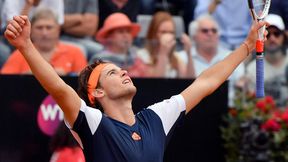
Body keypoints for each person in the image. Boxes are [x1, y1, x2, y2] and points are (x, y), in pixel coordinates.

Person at [4, 14, 267, 162]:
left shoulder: (156, 118)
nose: (123, 72)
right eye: (112, 73)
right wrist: (26, 46)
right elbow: (61, 90)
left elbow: (206, 82)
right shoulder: (94, 123)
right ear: (98, 93)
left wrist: (246, 45)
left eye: (121, 70)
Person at [1, 8, 87, 75]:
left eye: (49, 27)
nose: (44, 33)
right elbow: (5, 82)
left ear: (58, 30)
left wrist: (67, 75)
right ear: (31, 30)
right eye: (39, 27)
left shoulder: (75, 52)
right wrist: (24, 77)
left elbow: (84, 83)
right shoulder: (20, 54)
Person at [183, 15, 244, 106]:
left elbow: (240, 88)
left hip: (227, 113)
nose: (210, 33)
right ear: (194, 36)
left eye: (214, 30)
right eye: (205, 31)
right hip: (192, 113)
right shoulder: (183, 57)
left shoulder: (233, 56)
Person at [246, 14, 288, 107]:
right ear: (262, 37)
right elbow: (256, 105)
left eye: (276, 34)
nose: (272, 38)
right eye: (268, 34)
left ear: (284, 36)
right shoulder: (252, 69)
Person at [137, 11, 195, 78]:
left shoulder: (176, 57)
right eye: (163, 32)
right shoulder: (142, 56)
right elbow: (155, 83)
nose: (168, 36)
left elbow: (189, 80)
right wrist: (163, 53)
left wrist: (189, 53)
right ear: (153, 33)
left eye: (171, 32)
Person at [90, 13, 147, 77]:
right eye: (121, 32)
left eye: (128, 31)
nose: (126, 35)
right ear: (109, 36)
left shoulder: (138, 55)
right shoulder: (99, 60)